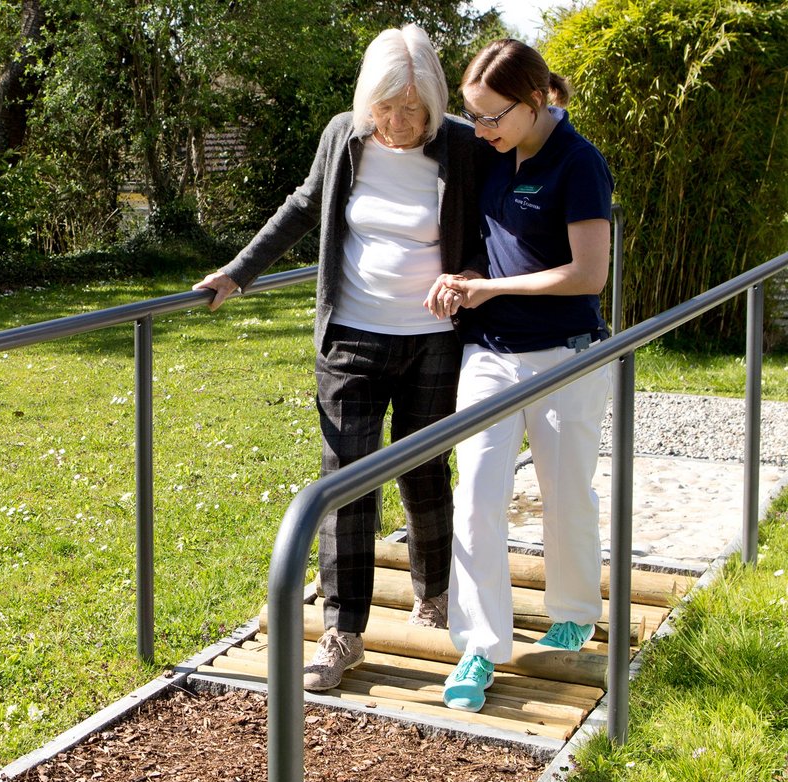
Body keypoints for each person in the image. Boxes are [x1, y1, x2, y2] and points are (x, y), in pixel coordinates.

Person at [194, 24, 489, 692]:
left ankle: (433, 590)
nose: (400, 122)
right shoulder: (343, 136)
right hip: (352, 337)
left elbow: (486, 234)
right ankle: (343, 629)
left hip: (434, 339)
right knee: (346, 481)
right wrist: (238, 273)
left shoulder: (464, 147)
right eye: (387, 108)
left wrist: (467, 277)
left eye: (414, 110)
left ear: (437, 102)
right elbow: (303, 207)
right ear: (367, 102)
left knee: (423, 470)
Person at [425, 39, 615, 712]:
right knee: (475, 494)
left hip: (566, 354)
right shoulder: (492, 157)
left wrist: (495, 291)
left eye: (490, 117)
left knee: (567, 491)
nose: (479, 131)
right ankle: (479, 643)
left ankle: (572, 610)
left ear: (535, 101)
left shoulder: (579, 161)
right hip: (491, 352)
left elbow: (588, 274)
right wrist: (474, 281)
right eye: (472, 118)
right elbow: (497, 256)